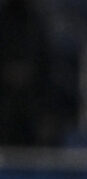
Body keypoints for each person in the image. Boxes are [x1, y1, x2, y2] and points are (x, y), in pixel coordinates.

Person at [0, 0, 53, 146]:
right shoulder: (3, 21)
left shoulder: (36, 23)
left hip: (31, 103)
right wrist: (7, 72)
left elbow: (46, 66)